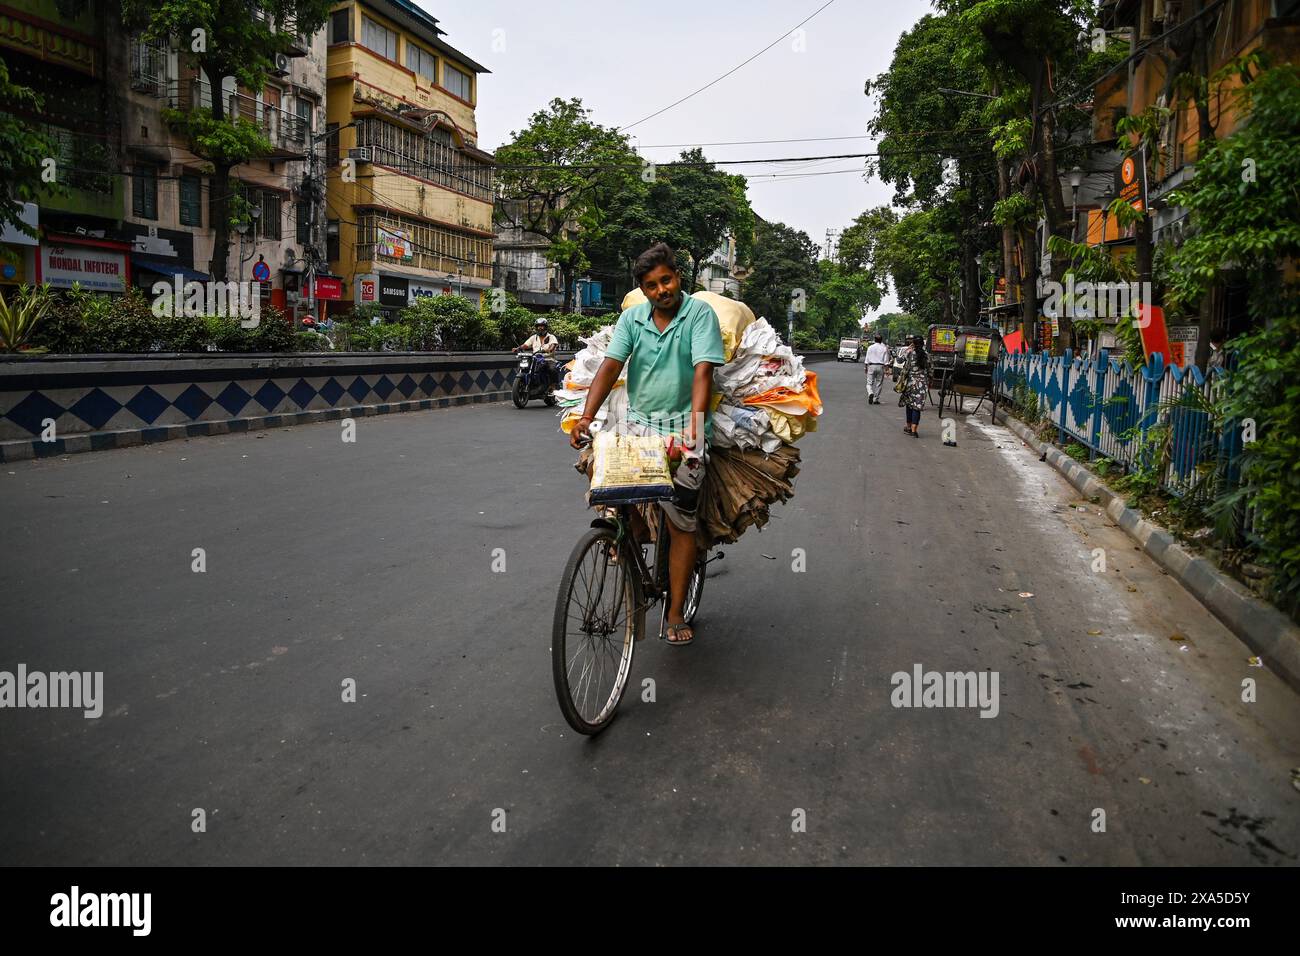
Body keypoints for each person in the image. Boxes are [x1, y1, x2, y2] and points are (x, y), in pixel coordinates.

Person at [570, 242, 725, 646]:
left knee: (680, 521)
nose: (661, 290)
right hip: (638, 426)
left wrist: (693, 429)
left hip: (683, 428)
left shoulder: (699, 315)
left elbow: (702, 374)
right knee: (605, 481)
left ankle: (674, 611)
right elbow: (610, 366)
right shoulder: (633, 319)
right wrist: (586, 418)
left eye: (666, 280)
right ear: (642, 290)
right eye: (651, 285)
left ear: (678, 277)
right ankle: (633, 531)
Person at [514, 318, 560, 388]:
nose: (540, 328)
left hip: (548, 359)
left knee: (552, 369)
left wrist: (549, 349)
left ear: (546, 327)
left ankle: (553, 387)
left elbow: (553, 345)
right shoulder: (533, 337)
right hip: (535, 359)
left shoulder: (551, 337)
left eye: (542, 326)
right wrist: (518, 348)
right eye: (538, 326)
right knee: (523, 366)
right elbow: (526, 345)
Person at [900, 335, 928, 437]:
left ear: (914, 344)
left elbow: (900, 362)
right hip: (922, 385)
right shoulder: (927, 355)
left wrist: (908, 348)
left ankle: (908, 427)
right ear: (923, 344)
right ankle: (914, 430)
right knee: (917, 407)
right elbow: (931, 370)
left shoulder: (910, 354)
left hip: (911, 384)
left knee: (909, 405)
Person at [863, 334, 891, 405]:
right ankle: (875, 399)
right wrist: (887, 370)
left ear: (874, 340)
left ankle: (870, 393)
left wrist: (865, 367)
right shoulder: (884, 348)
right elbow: (886, 361)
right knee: (879, 383)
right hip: (880, 367)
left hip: (871, 366)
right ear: (881, 340)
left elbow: (867, 359)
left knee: (869, 383)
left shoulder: (870, 347)